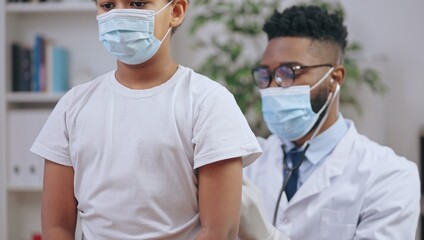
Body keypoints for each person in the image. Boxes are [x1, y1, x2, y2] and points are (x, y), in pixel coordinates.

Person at [30, 0, 262, 239]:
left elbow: (219, 231)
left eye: (137, 3)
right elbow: (56, 227)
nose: (119, 15)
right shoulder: (73, 106)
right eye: (108, 6)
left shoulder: (208, 102)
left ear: (176, 11)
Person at [238, 5, 420, 240]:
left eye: (289, 72)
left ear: (334, 78)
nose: (273, 87)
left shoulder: (390, 176)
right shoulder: (247, 162)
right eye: (266, 75)